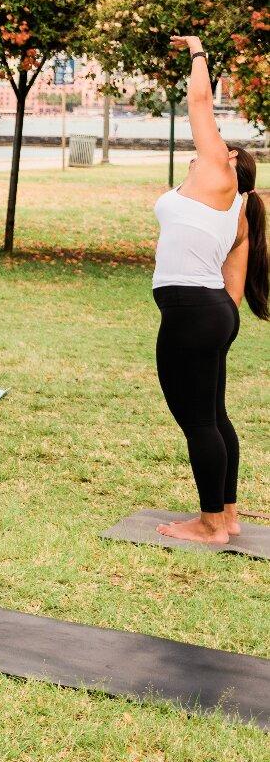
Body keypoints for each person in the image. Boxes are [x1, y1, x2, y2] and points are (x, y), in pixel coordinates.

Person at [148, 34, 268, 544]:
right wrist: (215, 325)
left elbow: (199, 101)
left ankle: (211, 524)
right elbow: (233, 289)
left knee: (197, 419)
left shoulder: (218, 176)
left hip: (193, 312)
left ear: (227, 160)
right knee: (213, 415)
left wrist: (197, 50)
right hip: (210, 311)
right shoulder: (237, 209)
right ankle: (229, 514)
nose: (203, 150)